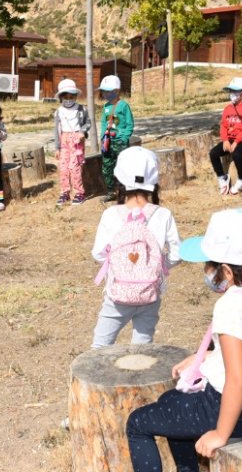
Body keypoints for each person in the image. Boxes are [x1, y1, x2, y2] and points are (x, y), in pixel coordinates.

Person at [127, 209, 242, 471]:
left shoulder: (230, 307)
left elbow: (238, 381)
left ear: (226, 271)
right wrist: (203, 356)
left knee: (137, 423)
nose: (204, 270)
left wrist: (220, 435)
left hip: (230, 410)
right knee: (169, 403)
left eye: (208, 264)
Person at [89, 146, 181, 348]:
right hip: (150, 291)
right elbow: (176, 253)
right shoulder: (163, 214)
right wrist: (158, 264)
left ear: (119, 180)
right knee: (143, 346)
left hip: (118, 294)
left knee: (100, 346)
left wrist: (120, 266)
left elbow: (98, 253)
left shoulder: (111, 215)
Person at [210, 77, 242, 195]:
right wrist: (225, 140)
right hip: (229, 139)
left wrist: (236, 142)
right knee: (213, 153)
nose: (232, 94)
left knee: (237, 154)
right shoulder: (228, 108)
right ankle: (222, 177)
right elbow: (223, 126)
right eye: (230, 91)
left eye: (235, 91)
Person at [52, 78, 90, 206]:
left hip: (77, 141)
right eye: (65, 96)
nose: (68, 99)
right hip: (64, 141)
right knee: (63, 168)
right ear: (61, 97)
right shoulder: (58, 112)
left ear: (75, 96)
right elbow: (56, 130)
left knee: (75, 167)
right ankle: (65, 192)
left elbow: (88, 123)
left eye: (71, 96)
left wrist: (82, 132)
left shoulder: (81, 109)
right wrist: (57, 147)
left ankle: (80, 193)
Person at [98, 74, 134, 201]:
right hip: (108, 142)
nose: (106, 94)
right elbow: (103, 122)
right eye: (104, 91)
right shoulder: (106, 107)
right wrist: (103, 136)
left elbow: (130, 124)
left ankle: (124, 192)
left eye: (109, 91)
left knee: (123, 167)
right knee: (107, 166)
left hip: (120, 143)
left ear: (117, 91)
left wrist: (123, 137)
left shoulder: (123, 105)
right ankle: (111, 191)